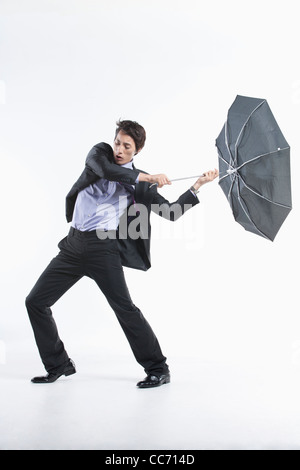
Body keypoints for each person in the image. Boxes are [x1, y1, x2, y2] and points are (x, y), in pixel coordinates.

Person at [25, 120, 218, 387]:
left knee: (125, 309)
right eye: (118, 142)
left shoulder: (141, 184)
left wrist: (197, 186)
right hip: (72, 246)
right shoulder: (99, 155)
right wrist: (148, 177)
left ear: (137, 151)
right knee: (35, 301)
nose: (119, 149)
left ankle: (158, 369)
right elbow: (107, 170)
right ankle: (58, 364)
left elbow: (171, 212)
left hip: (102, 250)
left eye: (127, 146)